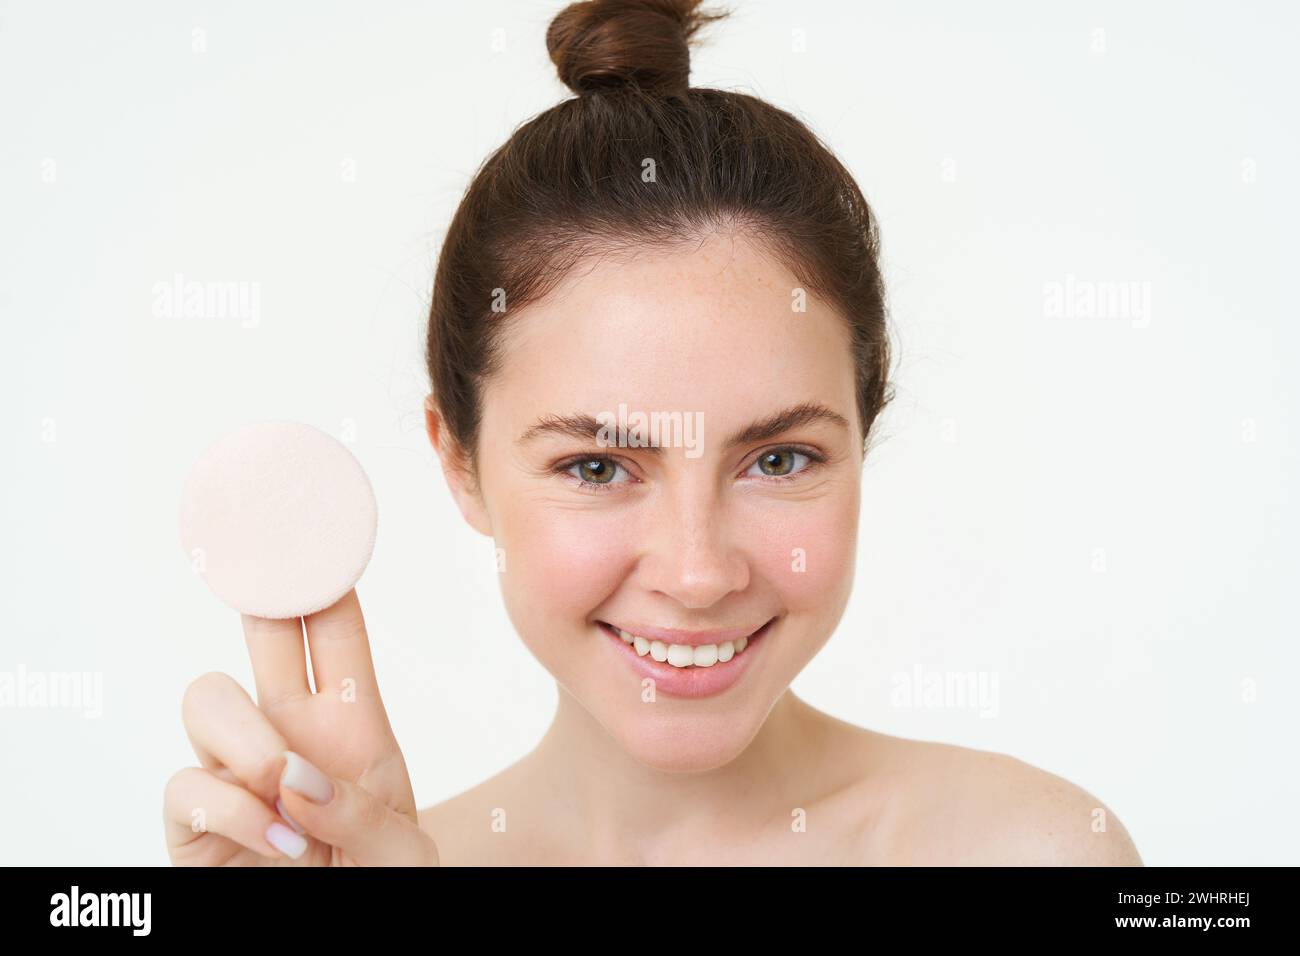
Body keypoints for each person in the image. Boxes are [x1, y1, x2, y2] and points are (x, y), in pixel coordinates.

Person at [164, 0, 1142, 866]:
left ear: (863, 430)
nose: (697, 570)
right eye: (595, 465)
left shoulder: (1033, 851)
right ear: (458, 460)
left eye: (778, 457)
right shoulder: (386, 859)